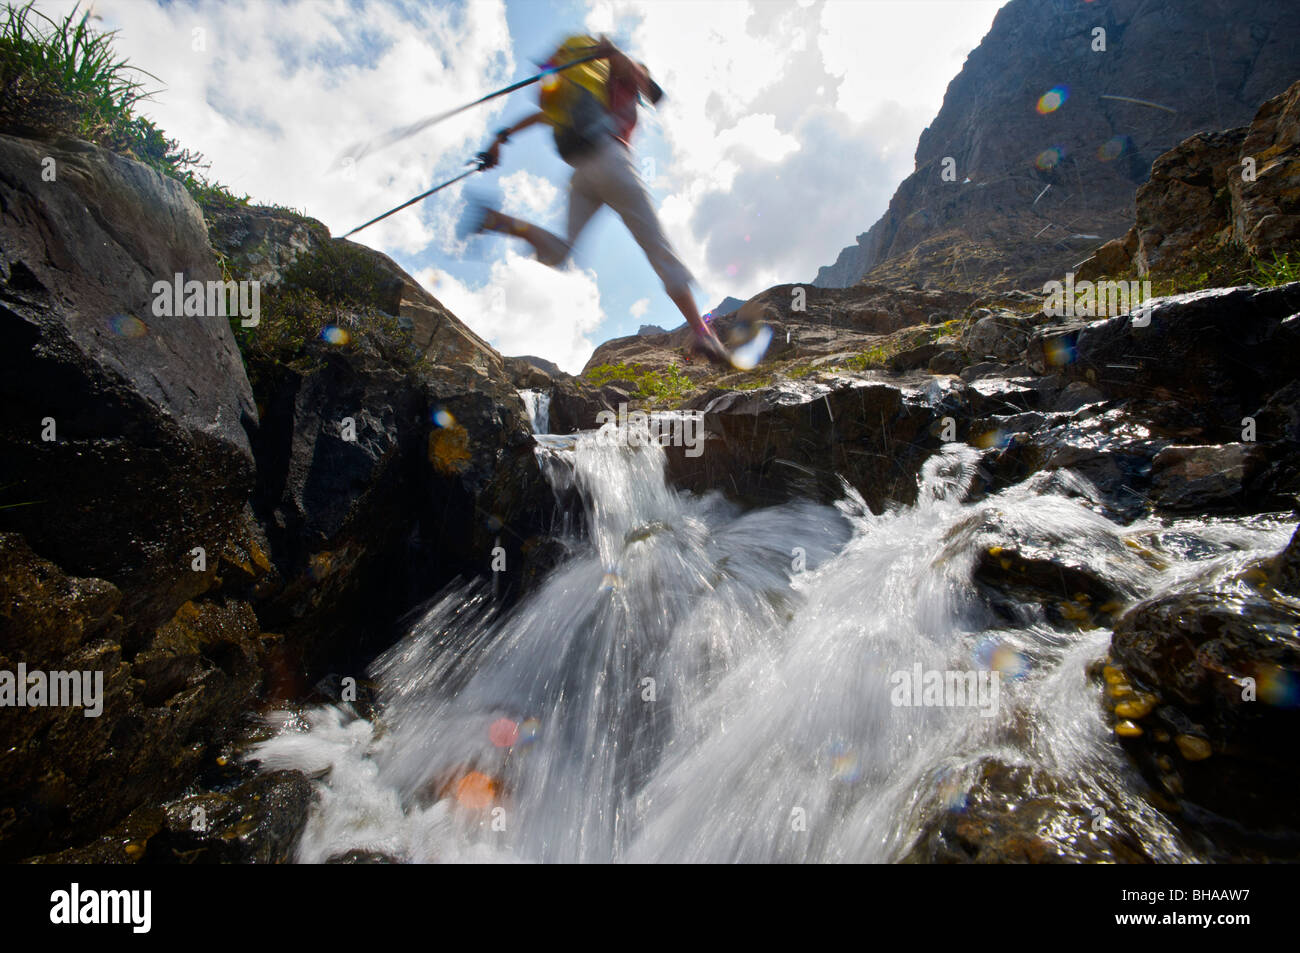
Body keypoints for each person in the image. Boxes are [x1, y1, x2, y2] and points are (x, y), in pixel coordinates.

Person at [468, 34, 732, 366]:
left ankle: (497, 220)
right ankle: (703, 335)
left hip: (582, 173)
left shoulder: (588, 99)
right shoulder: (622, 80)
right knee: (658, 249)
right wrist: (621, 57)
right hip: (612, 160)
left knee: (561, 251)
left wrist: (499, 139)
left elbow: (539, 117)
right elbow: (655, 93)